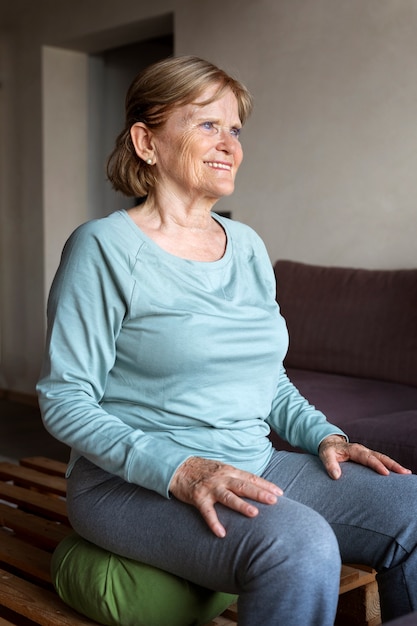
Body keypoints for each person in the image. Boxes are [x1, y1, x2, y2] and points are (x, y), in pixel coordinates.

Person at [37, 55, 417, 625]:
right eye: (207, 124)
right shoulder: (103, 249)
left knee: (412, 507)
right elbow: (65, 400)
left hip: (253, 461)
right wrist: (185, 470)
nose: (230, 144)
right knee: (298, 544)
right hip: (132, 484)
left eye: (235, 128)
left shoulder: (247, 245)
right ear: (147, 141)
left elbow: (266, 376)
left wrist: (325, 436)